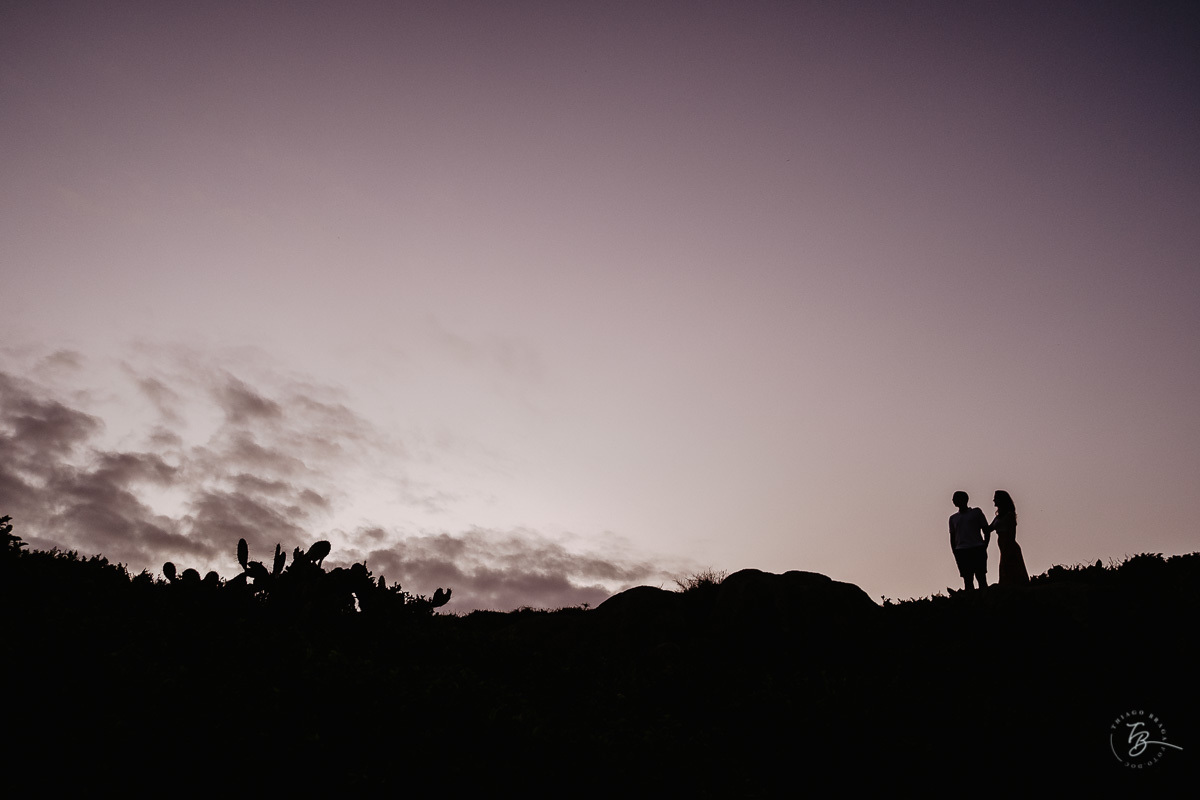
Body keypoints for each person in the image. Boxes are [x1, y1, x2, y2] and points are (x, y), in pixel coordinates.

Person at [949, 491, 989, 590]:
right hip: (962, 550)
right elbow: (952, 536)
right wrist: (955, 551)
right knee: (967, 579)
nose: (953, 500)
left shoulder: (976, 512)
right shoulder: (953, 518)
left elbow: (986, 529)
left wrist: (985, 544)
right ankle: (972, 601)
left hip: (977, 548)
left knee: (981, 577)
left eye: (955, 498)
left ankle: (984, 599)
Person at [987, 490, 1029, 585]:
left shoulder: (1009, 515)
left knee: (1010, 567)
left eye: (996, 498)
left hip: (1009, 544)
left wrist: (1007, 545)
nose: (994, 500)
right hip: (1002, 544)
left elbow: (1012, 534)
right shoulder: (998, 517)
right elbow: (988, 529)